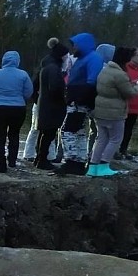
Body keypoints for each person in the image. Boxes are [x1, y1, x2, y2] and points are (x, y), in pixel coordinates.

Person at [87, 47, 138, 177]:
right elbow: (130, 93)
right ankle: (103, 166)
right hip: (114, 113)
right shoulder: (120, 74)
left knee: (101, 139)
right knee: (115, 139)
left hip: (100, 111)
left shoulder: (105, 71)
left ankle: (92, 167)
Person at [56, 33, 105, 175]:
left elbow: (92, 81)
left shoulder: (93, 58)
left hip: (80, 99)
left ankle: (72, 161)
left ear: (83, 44)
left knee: (68, 131)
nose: (74, 48)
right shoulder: (84, 58)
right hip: (77, 98)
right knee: (79, 132)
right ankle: (79, 162)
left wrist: (80, 98)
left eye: (76, 44)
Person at [0, 50, 34, 173]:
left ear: (3, 60)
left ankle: (1, 165)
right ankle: (12, 161)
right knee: (14, 134)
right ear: (17, 61)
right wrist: (19, 98)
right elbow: (28, 92)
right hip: (18, 108)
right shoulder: (23, 75)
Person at [22, 37, 62, 164]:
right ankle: (31, 154)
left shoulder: (45, 67)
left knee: (42, 130)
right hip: (41, 103)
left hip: (41, 102)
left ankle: (47, 155)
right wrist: (36, 100)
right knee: (39, 129)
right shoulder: (49, 69)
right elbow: (34, 88)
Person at [33, 38, 70, 170]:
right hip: (52, 107)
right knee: (48, 134)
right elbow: (55, 88)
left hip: (45, 105)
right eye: (66, 55)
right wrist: (63, 99)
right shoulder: (54, 69)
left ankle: (39, 158)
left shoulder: (47, 66)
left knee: (44, 133)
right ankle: (42, 160)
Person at [119, 47, 138, 158]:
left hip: (137, 104)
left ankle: (123, 150)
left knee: (129, 129)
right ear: (131, 56)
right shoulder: (125, 67)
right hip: (125, 103)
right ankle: (115, 150)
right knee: (119, 128)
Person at [87, 43, 115, 157]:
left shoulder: (93, 66)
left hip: (93, 103)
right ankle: (95, 155)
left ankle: (91, 153)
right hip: (101, 105)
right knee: (102, 133)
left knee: (94, 131)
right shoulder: (105, 70)